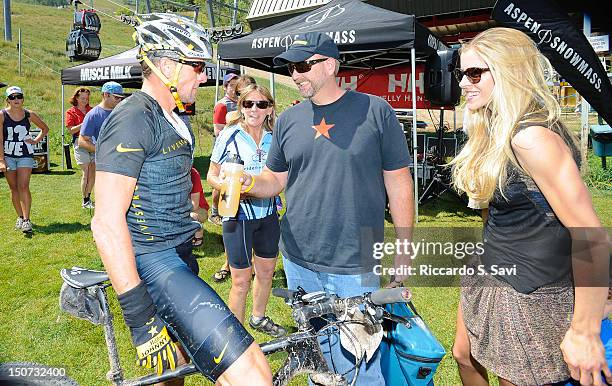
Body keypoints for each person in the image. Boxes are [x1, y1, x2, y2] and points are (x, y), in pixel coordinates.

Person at [90, 13, 271, 385]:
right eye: (198, 66)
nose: (204, 77)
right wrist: (141, 320)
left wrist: (187, 219)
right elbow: (106, 222)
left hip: (179, 252)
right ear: (167, 65)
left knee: (174, 372)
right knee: (253, 375)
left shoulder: (174, 117)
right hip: (155, 262)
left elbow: (162, 183)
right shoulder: (133, 117)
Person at [236, 32, 414, 384]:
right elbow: (276, 178)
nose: (296, 75)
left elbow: (399, 182)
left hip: (354, 260)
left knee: (361, 360)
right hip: (299, 258)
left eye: (303, 66)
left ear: (330, 65)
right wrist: (249, 183)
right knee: (320, 353)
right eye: (292, 68)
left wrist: (405, 247)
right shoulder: (288, 119)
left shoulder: (376, 111)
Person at [449, 27, 610, 386]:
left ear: (508, 72)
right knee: (464, 354)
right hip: (494, 269)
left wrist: (585, 331)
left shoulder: (531, 137)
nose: (463, 83)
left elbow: (592, 237)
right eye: (462, 73)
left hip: (530, 290)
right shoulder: (498, 130)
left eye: (475, 73)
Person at [207, 84, 285, 338]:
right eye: (249, 103)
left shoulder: (275, 138)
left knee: (266, 272)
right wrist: (228, 186)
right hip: (238, 215)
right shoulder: (228, 135)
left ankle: (258, 318)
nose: (254, 109)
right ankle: (236, 336)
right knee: (241, 281)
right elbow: (211, 175)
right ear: (241, 107)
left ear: (270, 109)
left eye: (261, 104)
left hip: (268, 214)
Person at [212, 74, 257, 283]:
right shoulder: (231, 121)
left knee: (259, 225)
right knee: (232, 225)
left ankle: (254, 262)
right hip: (233, 182)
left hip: (258, 184)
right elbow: (213, 171)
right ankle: (228, 263)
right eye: (241, 95)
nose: (246, 100)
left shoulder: (265, 122)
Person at [0, 86, 50, 233]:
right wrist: (1, 159)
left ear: (23, 98)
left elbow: (45, 128)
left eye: (19, 96)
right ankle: (20, 217)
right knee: (13, 188)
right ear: (7, 100)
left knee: (23, 186)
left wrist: (35, 141)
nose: (16, 99)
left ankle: (27, 220)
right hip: (8, 155)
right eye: (12, 97)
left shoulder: (29, 114)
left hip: (25, 154)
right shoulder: (2, 115)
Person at [78, 81, 125, 209]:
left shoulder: (122, 112)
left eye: (121, 98)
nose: (120, 100)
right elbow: (82, 141)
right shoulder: (93, 115)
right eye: (116, 97)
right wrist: (103, 150)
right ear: (105, 95)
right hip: (105, 161)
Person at [209, 72, 240, 226]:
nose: (235, 89)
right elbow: (218, 131)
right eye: (232, 86)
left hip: (239, 149)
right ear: (225, 87)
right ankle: (214, 212)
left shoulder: (243, 102)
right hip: (224, 151)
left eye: (237, 86)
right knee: (221, 182)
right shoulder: (222, 105)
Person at [65, 87, 93, 208]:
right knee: (86, 172)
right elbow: (71, 131)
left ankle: (88, 197)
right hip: (79, 142)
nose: (85, 100)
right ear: (76, 97)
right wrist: (84, 123)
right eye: (83, 98)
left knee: (93, 172)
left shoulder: (92, 110)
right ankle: (85, 200)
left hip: (93, 142)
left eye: (87, 98)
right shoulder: (71, 112)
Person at [190, 166, 209, 248]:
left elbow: (194, 205)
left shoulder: (193, 174)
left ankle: (198, 233)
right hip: (181, 207)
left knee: (191, 216)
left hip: (198, 209)